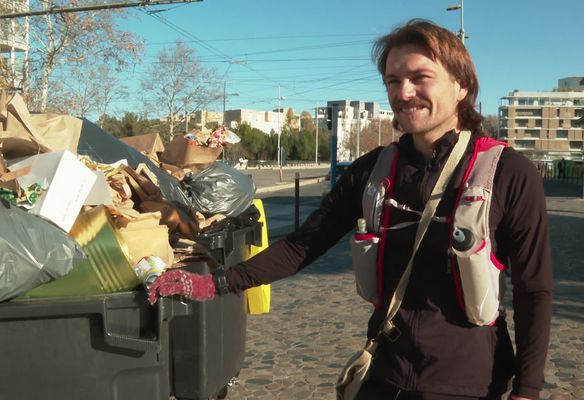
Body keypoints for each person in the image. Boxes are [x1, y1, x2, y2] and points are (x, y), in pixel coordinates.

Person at [149, 19, 552, 400]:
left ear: (461, 86)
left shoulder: (508, 172)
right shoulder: (374, 170)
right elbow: (303, 245)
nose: (403, 92)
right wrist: (213, 283)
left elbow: (534, 289)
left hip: (469, 383)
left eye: (419, 78)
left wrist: (527, 388)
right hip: (383, 372)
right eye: (393, 81)